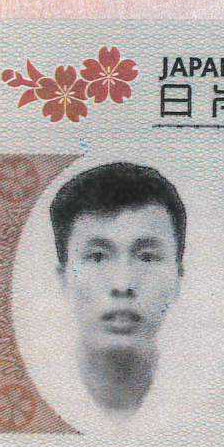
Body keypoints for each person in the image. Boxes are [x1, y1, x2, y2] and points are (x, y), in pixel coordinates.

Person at [49, 161, 186, 416]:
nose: (122, 285)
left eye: (147, 257)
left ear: (178, 278)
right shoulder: (46, 388)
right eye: (97, 257)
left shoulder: (204, 402)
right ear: (63, 278)